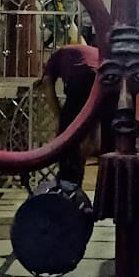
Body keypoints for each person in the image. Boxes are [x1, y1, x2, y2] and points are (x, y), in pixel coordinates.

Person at [44, 39, 101, 186]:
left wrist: (59, 116)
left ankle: (69, 183)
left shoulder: (56, 56)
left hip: (81, 82)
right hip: (105, 81)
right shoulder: (92, 51)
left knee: (68, 138)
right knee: (101, 141)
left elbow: (47, 84)